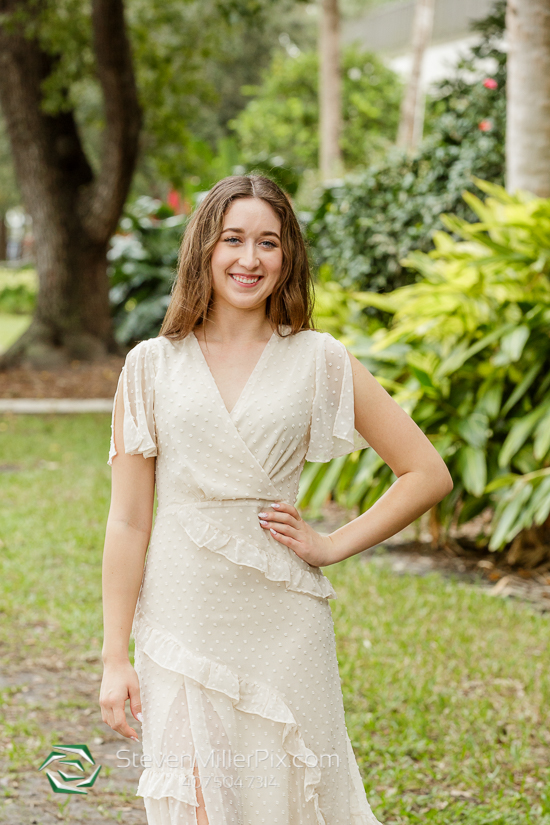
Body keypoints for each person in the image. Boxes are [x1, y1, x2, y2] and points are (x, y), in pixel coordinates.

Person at [100, 174, 453, 825]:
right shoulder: (150, 366)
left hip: (285, 628)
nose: (249, 259)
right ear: (204, 247)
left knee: (291, 801)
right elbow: (127, 521)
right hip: (183, 620)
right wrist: (114, 655)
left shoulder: (319, 358)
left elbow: (426, 472)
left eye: (269, 242)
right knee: (193, 805)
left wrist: (331, 544)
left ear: (287, 254)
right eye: (233, 239)